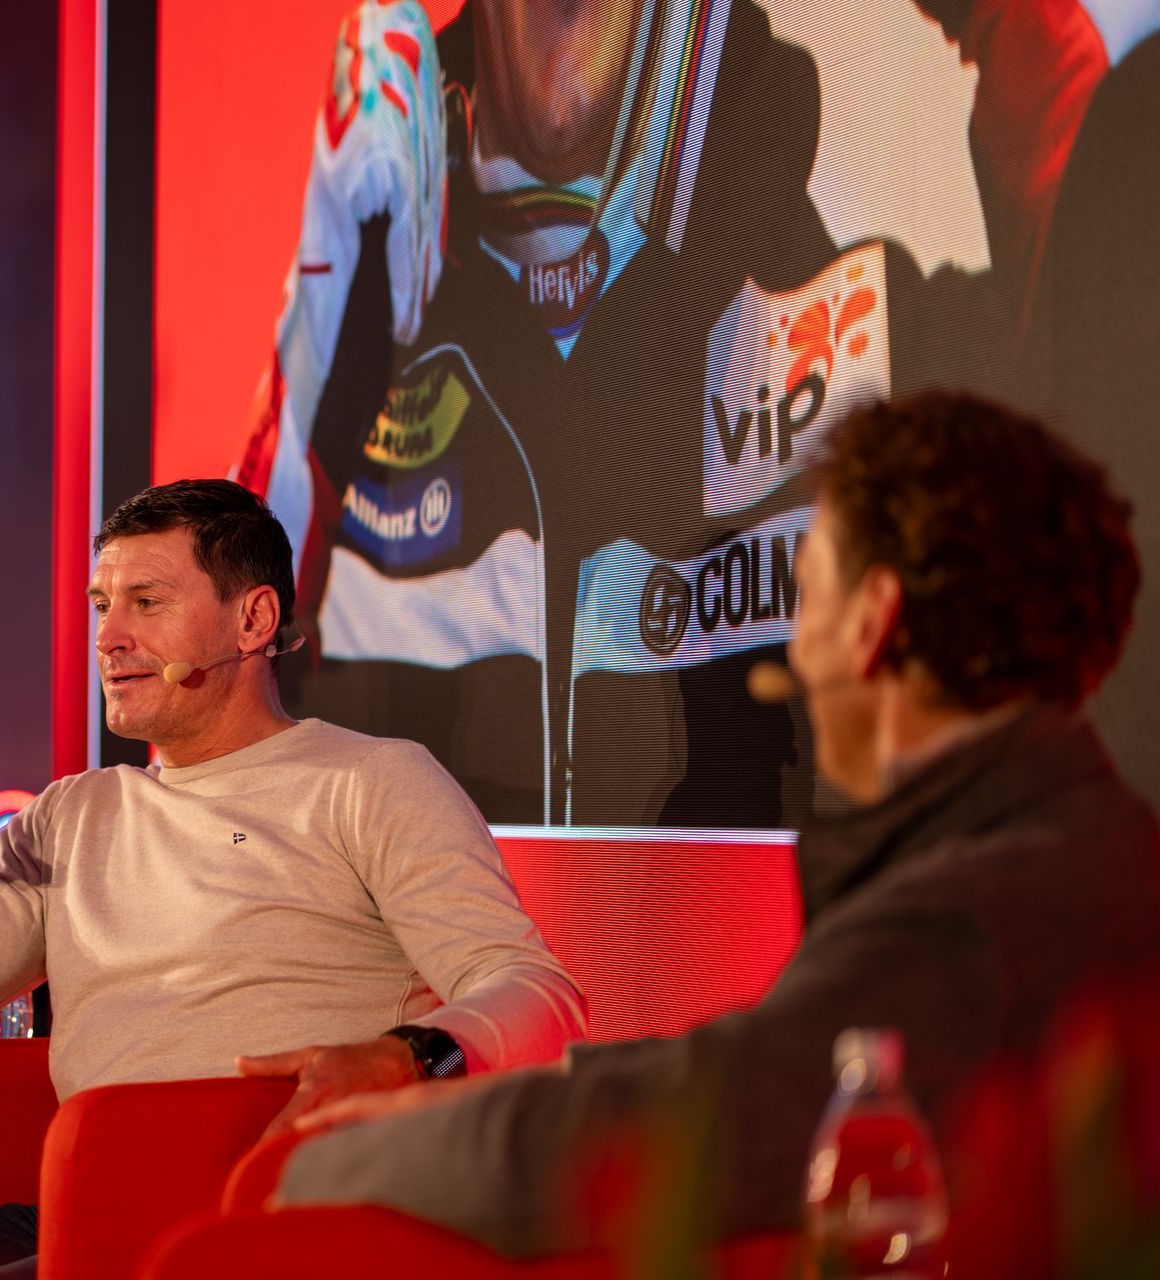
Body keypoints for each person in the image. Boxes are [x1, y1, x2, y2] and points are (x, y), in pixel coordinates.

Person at [271, 389, 1160, 1265]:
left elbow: (703, 1130)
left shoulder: (962, 922)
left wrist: (332, 1167)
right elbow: (751, 1067)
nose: (793, 656)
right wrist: (495, 1097)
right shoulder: (1089, 851)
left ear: (871, 620)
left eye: (806, 600)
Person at [0, 478, 586, 1280]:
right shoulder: (72, 814)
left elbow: (538, 991)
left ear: (254, 619)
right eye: (101, 604)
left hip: (262, 1212)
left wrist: (413, 1054)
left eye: (147, 601)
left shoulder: (372, 781)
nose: (109, 635)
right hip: (79, 1211)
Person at [232, 0, 1113, 828]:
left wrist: (1004, 13)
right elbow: (228, 793)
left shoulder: (871, 348)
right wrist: (314, 398)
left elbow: (1108, 431)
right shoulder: (364, 355)